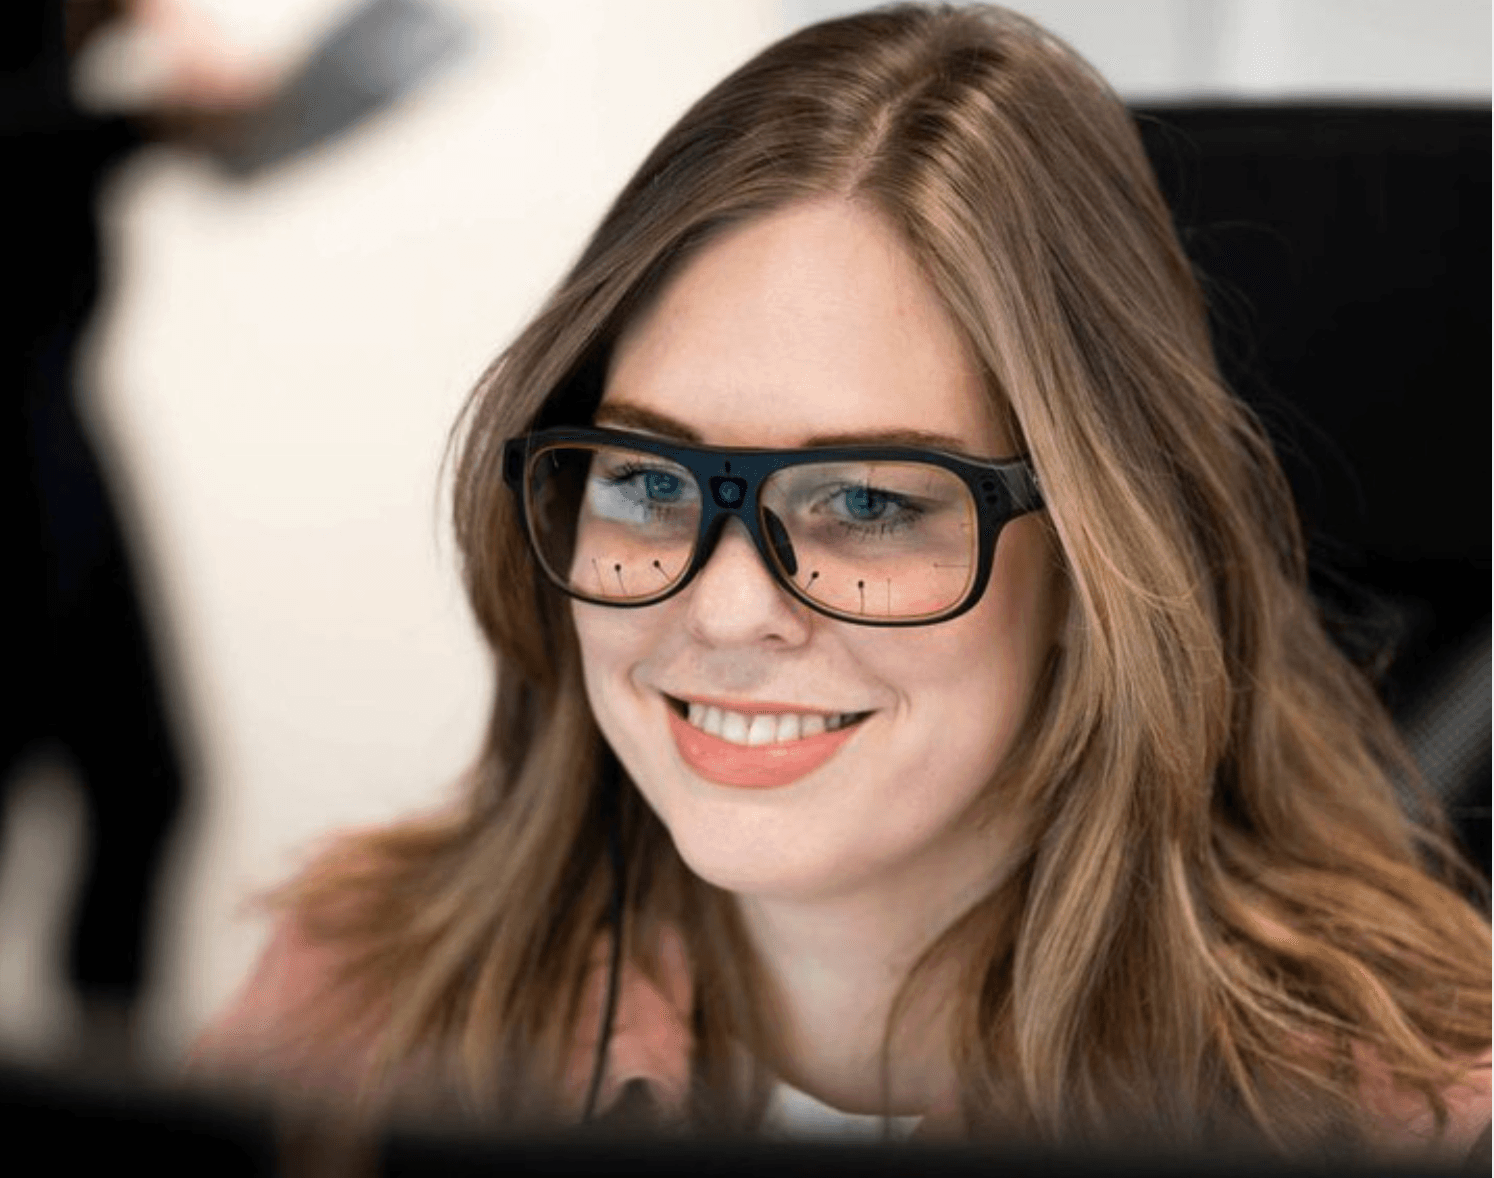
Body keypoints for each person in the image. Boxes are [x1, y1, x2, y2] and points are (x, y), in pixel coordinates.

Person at [185, 3, 1491, 1164]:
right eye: (647, 479)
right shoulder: (359, 998)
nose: (728, 608)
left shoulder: (1401, 1115)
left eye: (867, 503)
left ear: (1104, 547)